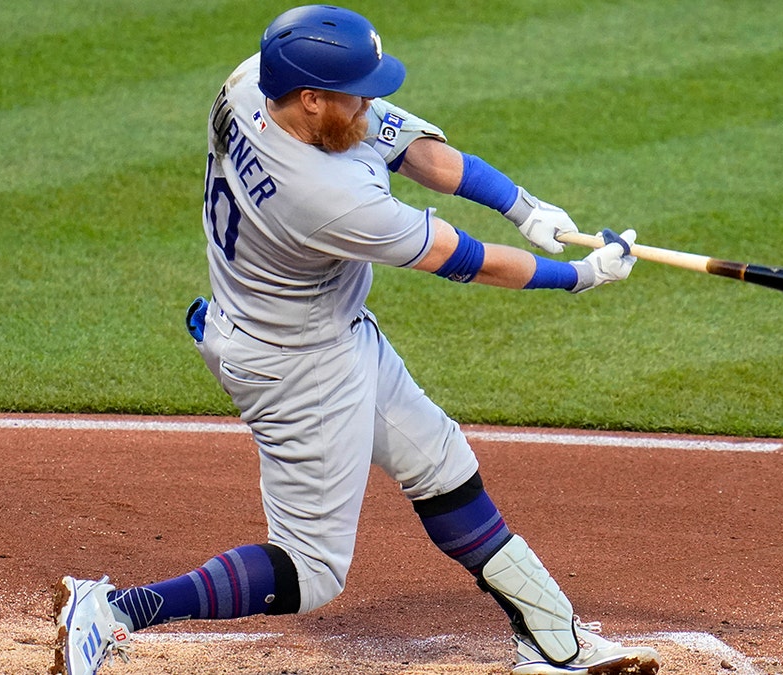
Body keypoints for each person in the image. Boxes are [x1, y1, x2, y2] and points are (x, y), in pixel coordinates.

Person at [54, 6, 660, 675]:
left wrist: (524, 206)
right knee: (310, 569)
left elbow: (401, 144)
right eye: (356, 91)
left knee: (439, 459)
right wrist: (577, 275)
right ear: (312, 100)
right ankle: (114, 610)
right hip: (296, 365)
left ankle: (551, 641)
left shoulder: (255, 80)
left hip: (316, 331)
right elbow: (469, 260)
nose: (371, 102)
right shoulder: (326, 197)